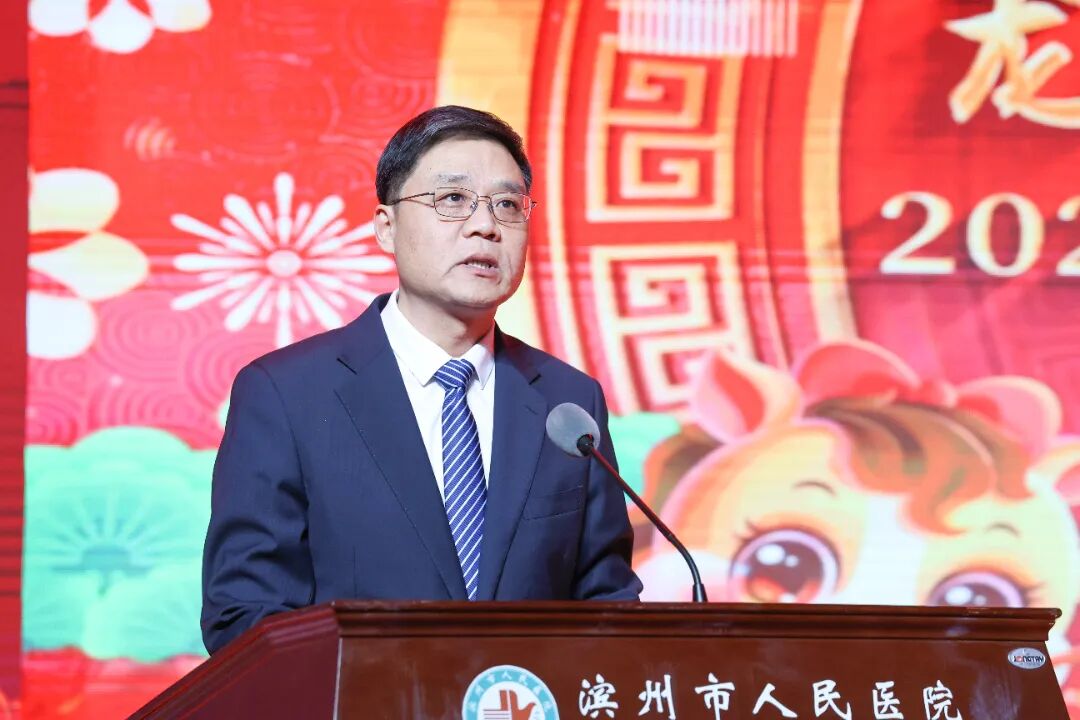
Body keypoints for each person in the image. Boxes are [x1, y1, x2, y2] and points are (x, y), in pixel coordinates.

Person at [201, 105, 642, 653]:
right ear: (386, 228)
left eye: (507, 205)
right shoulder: (286, 394)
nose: (485, 226)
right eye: (452, 199)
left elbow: (607, 606)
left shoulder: (568, 403)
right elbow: (246, 616)